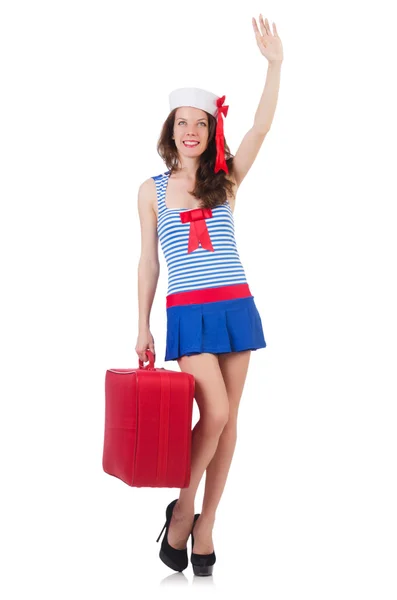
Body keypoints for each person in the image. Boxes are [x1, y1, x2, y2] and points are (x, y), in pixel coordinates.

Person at [135, 15, 283, 577]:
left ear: (210, 130)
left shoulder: (227, 180)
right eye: (183, 124)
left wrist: (274, 66)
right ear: (170, 131)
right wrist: (143, 325)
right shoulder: (149, 190)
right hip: (189, 314)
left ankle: (207, 525)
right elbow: (149, 261)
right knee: (212, 412)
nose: (192, 132)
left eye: (201, 123)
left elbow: (261, 130)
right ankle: (182, 510)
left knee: (231, 419)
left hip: (236, 305)